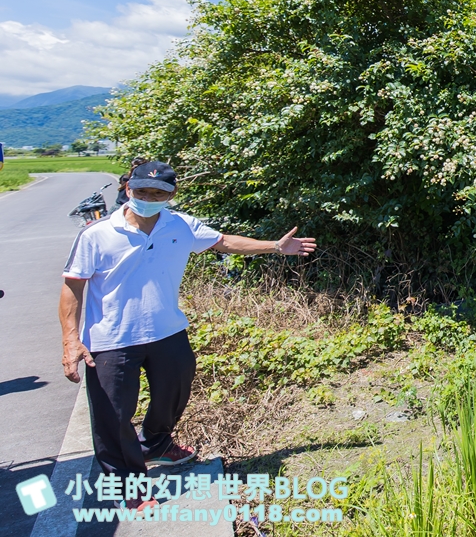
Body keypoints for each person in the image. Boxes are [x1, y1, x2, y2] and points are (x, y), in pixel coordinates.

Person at [58, 160, 317, 511]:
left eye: (158, 193)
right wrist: (71, 340)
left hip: (166, 331)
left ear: (171, 194)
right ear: (128, 189)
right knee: (114, 416)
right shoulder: (97, 234)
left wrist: (274, 246)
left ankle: (156, 444)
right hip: (111, 339)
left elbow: (223, 241)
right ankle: (127, 483)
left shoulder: (180, 225)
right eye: (142, 191)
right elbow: (72, 287)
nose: (149, 197)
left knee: (176, 388)